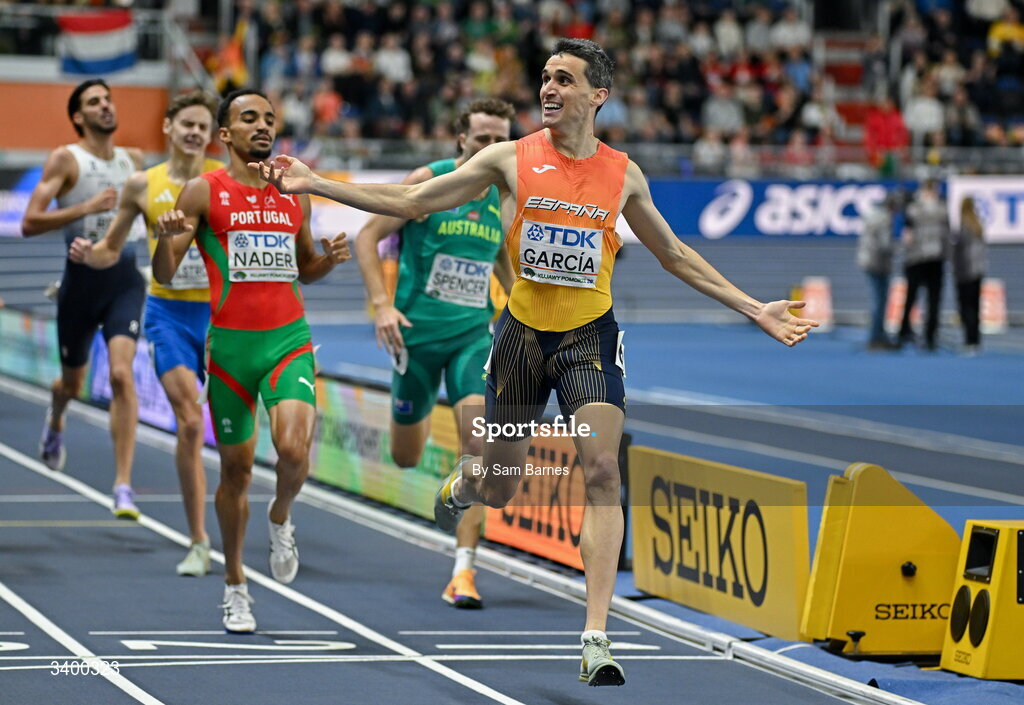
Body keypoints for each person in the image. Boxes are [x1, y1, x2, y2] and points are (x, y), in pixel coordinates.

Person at [249, 38, 818, 686]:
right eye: (545, 78)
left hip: (588, 339)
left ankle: (596, 635)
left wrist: (755, 308)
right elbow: (410, 205)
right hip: (520, 339)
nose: (548, 89)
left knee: (602, 467)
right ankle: (464, 483)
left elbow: (676, 254)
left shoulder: (623, 174)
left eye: (564, 80)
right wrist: (316, 181)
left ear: (597, 95)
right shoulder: (509, 159)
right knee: (498, 484)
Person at [153, 89, 351, 632]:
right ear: (226, 135)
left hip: (287, 340)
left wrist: (326, 262)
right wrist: (167, 242)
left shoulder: (294, 191)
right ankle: (235, 584)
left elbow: (303, 266)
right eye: (249, 118)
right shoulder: (202, 191)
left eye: (269, 118)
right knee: (235, 472)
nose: (263, 126)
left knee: (292, 450)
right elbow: (166, 276)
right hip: (232, 352)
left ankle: (281, 514)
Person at [355, 98, 516, 610]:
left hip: (472, 338)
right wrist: (381, 305)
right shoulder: (431, 180)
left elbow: (503, 265)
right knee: (405, 455)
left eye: (500, 140)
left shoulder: (506, 193)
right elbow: (367, 235)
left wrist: (518, 319)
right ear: (461, 141)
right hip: (414, 342)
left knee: (479, 450)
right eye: (482, 139)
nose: (491, 148)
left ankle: (463, 573)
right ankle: (426, 440)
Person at [69, 90, 222, 576]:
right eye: (187, 124)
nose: (195, 133)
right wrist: (87, 257)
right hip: (169, 315)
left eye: (203, 126)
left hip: (223, 317)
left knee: (239, 442)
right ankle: (198, 540)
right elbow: (111, 247)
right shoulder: (143, 185)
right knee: (192, 424)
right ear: (169, 129)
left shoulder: (225, 181)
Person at [21, 79, 145, 518]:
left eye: (108, 99)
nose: (106, 106)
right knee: (71, 384)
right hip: (79, 285)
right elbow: (29, 222)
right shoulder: (66, 158)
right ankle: (56, 418)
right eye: (95, 102)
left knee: (120, 376)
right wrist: (85, 209)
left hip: (126, 280)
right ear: (78, 116)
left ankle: (123, 485)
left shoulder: (135, 161)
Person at [898, 179, 949, 351]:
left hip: (922, 259)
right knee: (919, 298)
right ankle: (924, 336)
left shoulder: (915, 208)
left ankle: (914, 333)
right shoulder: (941, 208)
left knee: (920, 299)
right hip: (926, 259)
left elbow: (907, 233)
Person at [857, 192, 899, 350]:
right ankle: (876, 337)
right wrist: (898, 247)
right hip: (877, 263)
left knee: (878, 300)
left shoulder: (874, 215)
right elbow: (885, 244)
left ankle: (878, 335)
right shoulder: (884, 219)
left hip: (869, 261)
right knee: (879, 301)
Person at [952, 196, 986, 355]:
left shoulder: (964, 228)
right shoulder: (978, 226)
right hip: (978, 271)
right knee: (975, 306)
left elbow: (960, 253)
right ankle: (976, 340)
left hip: (965, 272)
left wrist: (957, 270)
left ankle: (969, 340)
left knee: (966, 307)